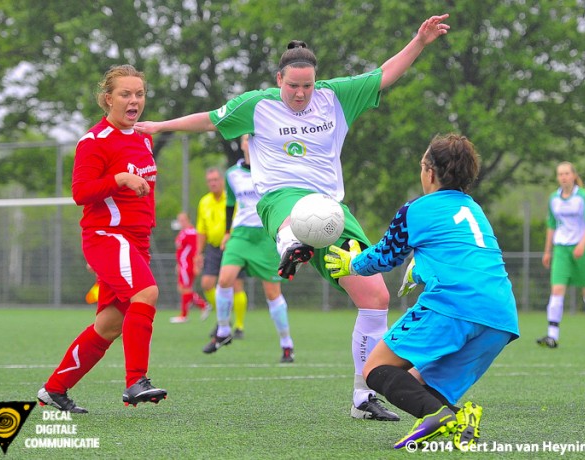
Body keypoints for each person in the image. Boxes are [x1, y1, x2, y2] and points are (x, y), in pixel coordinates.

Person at [135, 13, 451, 421]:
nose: (301, 94)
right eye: (293, 86)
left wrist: (419, 41)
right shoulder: (257, 104)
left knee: (376, 297)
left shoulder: (336, 97)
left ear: (315, 81)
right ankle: (291, 244)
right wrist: (160, 125)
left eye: (307, 85)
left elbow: (384, 74)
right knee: (298, 215)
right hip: (280, 200)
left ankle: (362, 399)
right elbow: (210, 120)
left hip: (333, 212)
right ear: (279, 79)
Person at [324, 134, 520, 449]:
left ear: (429, 172)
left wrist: (351, 263)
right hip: (500, 317)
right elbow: (463, 257)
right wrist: (420, 270)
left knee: (375, 369)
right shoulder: (475, 211)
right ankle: (459, 417)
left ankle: (441, 418)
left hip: (455, 305)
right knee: (415, 384)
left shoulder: (416, 210)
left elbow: (385, 257)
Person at [37, 64, 167, 413]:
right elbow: (80, 192)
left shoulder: (143, 136)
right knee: (147, 293)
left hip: (136, 241)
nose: (134, 100)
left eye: (139, 93)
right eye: (125, 94)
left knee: (109, 327)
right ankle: (136, 381)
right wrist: (121, 179)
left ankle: (54, 389)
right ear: (107, 99)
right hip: (106, 236)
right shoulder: (94, 142)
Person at [202, 134, 295, 363]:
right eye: (247, 138)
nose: (251, 141)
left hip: (265, 236)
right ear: (243, 144)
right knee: (224, 280)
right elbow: (230, 204)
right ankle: (223, 330)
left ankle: (286, 344)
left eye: (255, 137)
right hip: (241, 234)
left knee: (272, 293)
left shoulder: (273, 170)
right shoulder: (232, 174)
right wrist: (226, 232)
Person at [537, 161, 585, 349]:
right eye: (560, 174)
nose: (564, 177)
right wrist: (547, 251)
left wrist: (582, 244)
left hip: (582, 250)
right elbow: (551, 225)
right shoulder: (554, 199)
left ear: (574, 175)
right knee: (557, 290)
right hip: (561, 250)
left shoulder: (583, 196)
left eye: (567, 173)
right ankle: (552, 336)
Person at [195, 167, 248, 338]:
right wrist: (198, 253)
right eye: (210, 181)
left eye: (216, 179)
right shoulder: (204, 202)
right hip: (213, 247)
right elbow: (201, 229)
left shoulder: (232, 199)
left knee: (237, 285)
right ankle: (223, 318)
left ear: (222, 181)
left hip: (233, 245)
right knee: (207, 283)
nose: (213, 183)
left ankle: (239, 326)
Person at [170, 212, 212, 323]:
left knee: (186, 289)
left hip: (188, 265)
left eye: (183, 220)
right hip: (182, 264)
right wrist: (178, 264)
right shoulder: (183, 232)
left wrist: (196, 265)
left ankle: (187, 313)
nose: (181, 222)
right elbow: (181, 250)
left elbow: (195, 250)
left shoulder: (191, 232)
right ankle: (201, 306)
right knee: (182, 288)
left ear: (188, 219)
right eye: (179, 220)